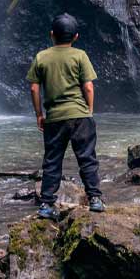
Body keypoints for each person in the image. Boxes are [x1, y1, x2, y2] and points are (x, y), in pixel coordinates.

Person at [27, 13, 105, 219]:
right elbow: (88, 86)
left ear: (52, 35)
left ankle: (46, 204)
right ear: (76, 37)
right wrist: (88, 110)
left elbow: (34, 89)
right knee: (87, 158)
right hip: (80, 116)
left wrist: (39, 114)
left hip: (54, 118)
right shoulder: (80, 55)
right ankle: (95, 199)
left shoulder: (41, 57)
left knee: (52, 161)